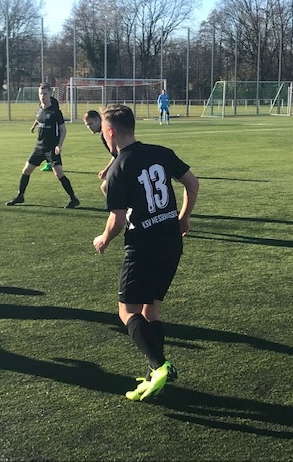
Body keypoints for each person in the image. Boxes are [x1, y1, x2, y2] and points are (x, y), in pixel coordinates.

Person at [93, 104, 199, 401]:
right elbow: (192, 184)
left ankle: (159, 365)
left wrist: (103, 239)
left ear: (110, 131)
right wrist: (184, 218)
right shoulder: (160, 152)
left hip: (142, 246)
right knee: (151, 309)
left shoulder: (119, 167)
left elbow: (116, 219)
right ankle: (157, 372)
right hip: (172, 241)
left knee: (126, 312)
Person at [6, 83, 79, 208]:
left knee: (59, 174)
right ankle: (20, 196)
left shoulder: (56, 112)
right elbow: (39, 118)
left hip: (52, 148)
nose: (42, 96)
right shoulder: (39, 109)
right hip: (39, 147)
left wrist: (59, 145)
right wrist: (33, 126)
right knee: (26, 170)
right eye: (40, 94)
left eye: (45, 94)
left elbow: (63, 130)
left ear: (50, 95)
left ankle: (74, 199)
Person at [83, 109, 116, 196]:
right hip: (125, 159)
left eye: (91, 124)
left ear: (98, 120)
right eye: (87, 125)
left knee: (105, 187)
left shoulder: (105, 134)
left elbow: (117, 154)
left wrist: (106, 170)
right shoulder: (108, 129)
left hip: (125, 162)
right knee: (105, 187)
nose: (89, 127)